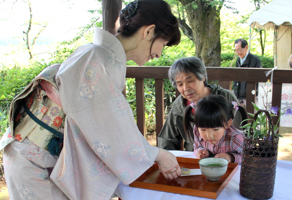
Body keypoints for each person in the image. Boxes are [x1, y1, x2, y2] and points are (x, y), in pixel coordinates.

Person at [0, 1, 182, 199]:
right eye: (163, 44)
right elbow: (112, 130)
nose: (159, 54)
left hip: (40, 155)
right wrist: (157, 154)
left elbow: (109, 124)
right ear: (148, 32)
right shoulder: (98, 60)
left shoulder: (98, 55)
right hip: (35, 160)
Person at [158, 57, 243, 151]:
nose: (186, 88)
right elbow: (167, 139)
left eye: (190, 81)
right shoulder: (179, 105)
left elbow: (240, 131)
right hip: (196, 156)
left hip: (226, 156)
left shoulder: (225, 97)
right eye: (180, 84)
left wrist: (231, 157)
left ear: (202, 77)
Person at [184, 95, 244, 164]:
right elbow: (197, 147)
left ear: (228, 124)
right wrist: (200, 152)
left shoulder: (235, 138)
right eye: (203, 130)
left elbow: (251, 157)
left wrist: (231, 157)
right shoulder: (197, 130)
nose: (209, 135)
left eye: (215, 129)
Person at [233, 38, 262, 106]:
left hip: (250, 94)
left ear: (246, 47)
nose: (238, 53)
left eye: (239, 50)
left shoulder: (255, 60)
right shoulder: (238, 60)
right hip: (239, 94)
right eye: (236, 50)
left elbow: (257, 78)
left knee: (251, 114)